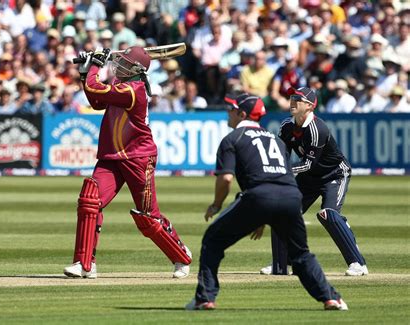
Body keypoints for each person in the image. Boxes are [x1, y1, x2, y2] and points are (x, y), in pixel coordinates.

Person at [185, 93, 348, 311]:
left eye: (231, 109)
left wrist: (216, 204)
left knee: (212, 241)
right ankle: (331, 298)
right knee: (300, 254)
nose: (228, 112)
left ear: (242, 114)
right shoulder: (275, 139)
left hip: (259, 197)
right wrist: (261, 217)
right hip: (291, 196)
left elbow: (225, 178)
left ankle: (204, 298)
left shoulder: (232, 139)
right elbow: (283, 173)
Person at [63, 46, 192, 279]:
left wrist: (94, 65)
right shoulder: (120, 87)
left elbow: (95, 87)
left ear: (136, 70)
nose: (118, 66)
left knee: (148, 217)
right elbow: (95, 100)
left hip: (138, 157)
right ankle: (84, 264)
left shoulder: (134, 90)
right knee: (90, 200)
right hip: (112, 156)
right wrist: (86, 73)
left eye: (124, 64)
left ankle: (181, 256)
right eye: (118, 62)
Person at [261, 87, 368, 277]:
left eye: (298, 99)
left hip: (334, 175)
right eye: (292, 97)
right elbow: (282, 155)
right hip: (308, 179)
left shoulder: (317, 128)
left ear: (309, 106)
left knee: (328, 215)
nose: (292, 101)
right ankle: (282, 264)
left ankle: (358, 263)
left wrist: (284, 172)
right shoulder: (286, 125)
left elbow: (308, 164)